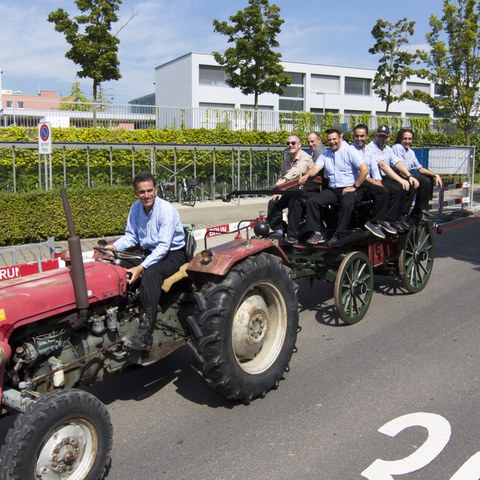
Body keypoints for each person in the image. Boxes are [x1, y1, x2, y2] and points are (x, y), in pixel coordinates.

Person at [104, 171, 186, 351]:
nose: (146, 195)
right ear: (136, 193)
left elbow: (164, 247)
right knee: (117, 267)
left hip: (173, 253)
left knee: (151, 274)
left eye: (150, 190)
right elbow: (131, 236)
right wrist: (115, 247)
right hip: (148, 252)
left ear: (156, 190)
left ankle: (146, 331)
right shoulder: (135, 208)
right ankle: (121, 312)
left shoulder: (166, 210)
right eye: (142, 192)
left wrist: (141, 266)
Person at [288, 125, 368, 246]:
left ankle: (340, 233)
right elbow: (315, 168)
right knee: (313, 201)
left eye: (334, 139)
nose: (332, 142)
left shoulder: (350, 151)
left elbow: (364, 170)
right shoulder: (325, 154)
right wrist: (306, 176)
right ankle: (318, 233)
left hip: (349, 188)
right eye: (329, 140)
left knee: (347, 203)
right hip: (334, 190)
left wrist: (355, 186)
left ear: (340, 137)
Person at [366, 125, 419, 232]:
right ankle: (389, 219)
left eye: (384, 137)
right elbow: (383, 165)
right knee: (397, 188)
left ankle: (401, 215)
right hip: (373, 178)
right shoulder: (371, 148)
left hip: (384, 176)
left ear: (388, 138)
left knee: (409, 185)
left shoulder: (387, 149)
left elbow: (397, 162)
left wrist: (409, 176)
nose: (381, 139)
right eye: (380, 136)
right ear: (376, 136)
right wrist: (400, 179)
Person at [267, 134, 314, 237]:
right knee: (273, 203)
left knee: (294, 201)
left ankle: (293, 234)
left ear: (299, 145)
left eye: (293, 143)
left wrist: (283, 182)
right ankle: (279, 230)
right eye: (288, 143)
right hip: (291, 191)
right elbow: (282, 175)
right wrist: (279, 190)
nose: (290, 145)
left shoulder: (305, 157)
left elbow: (296, 171)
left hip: (306, 192)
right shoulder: (287, 159)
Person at [352, 124, 393, 238]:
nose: (359, 139)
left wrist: (378, 180)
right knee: (382, 191)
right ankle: (373, 221)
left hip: (369, 179)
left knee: (388, 189)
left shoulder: (369, 150)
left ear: (367, 137)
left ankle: (384, 219)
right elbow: (360, 173)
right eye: (357, 136)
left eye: (362, 136)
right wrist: (376, 183)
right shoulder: (352, 150)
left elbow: (374, 167)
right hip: (358, 181)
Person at [392, 128, 443, 220]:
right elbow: (400, 167)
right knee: (414, 182)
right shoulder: (397, 148)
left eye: (409, 139)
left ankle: (420, 210)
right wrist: (410, 177)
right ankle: (403, 214)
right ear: (400, 139)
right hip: (397, 176)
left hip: (407, 175)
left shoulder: (411, 152)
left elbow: (420, 168)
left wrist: (435, 175)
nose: (407, 141)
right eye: (405, 139)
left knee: (427, 179)